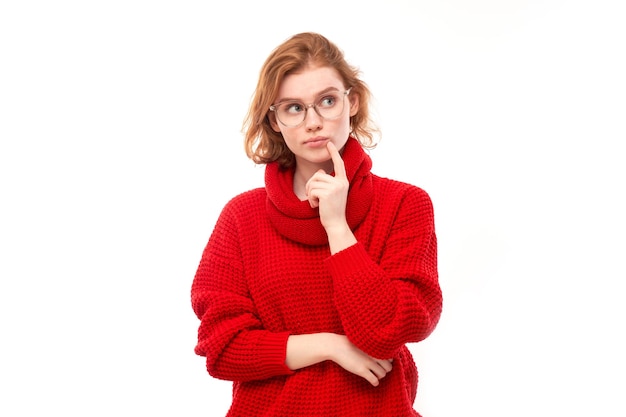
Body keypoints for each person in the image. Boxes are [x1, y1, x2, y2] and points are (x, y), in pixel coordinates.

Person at [191, 32, 443, 417]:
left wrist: (338, 228)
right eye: (294, 108)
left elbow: (390, 330)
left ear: (352, 102)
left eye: (327, 101)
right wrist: (330, 346)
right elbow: (222, 349)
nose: (313, 122)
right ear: (274, 120)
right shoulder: (242, 217)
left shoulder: (405, 204)